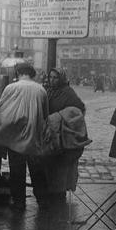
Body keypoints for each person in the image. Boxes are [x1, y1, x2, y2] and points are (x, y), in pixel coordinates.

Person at [0, 62, 48, 210]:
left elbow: (0, 108)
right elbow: (46, 114)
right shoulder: (41, 90)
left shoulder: (11, 88)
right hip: (34, 137)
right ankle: (42, 199)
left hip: (15, 138)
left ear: (18, 73)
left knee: (17, 172)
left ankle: (19, 202)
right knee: (37, 171)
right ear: (31, 73)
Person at [38, 68, 90, 205]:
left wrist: (61, 118)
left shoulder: (68, 93)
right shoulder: (48, 91)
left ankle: (59, 194)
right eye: (51, 77)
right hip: (49, 133)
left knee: (61, 166)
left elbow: (79, 111)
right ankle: (51, 190)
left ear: (61, 78)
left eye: (55, 77)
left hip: (63, 135)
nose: (52, 80)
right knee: (49, 163)